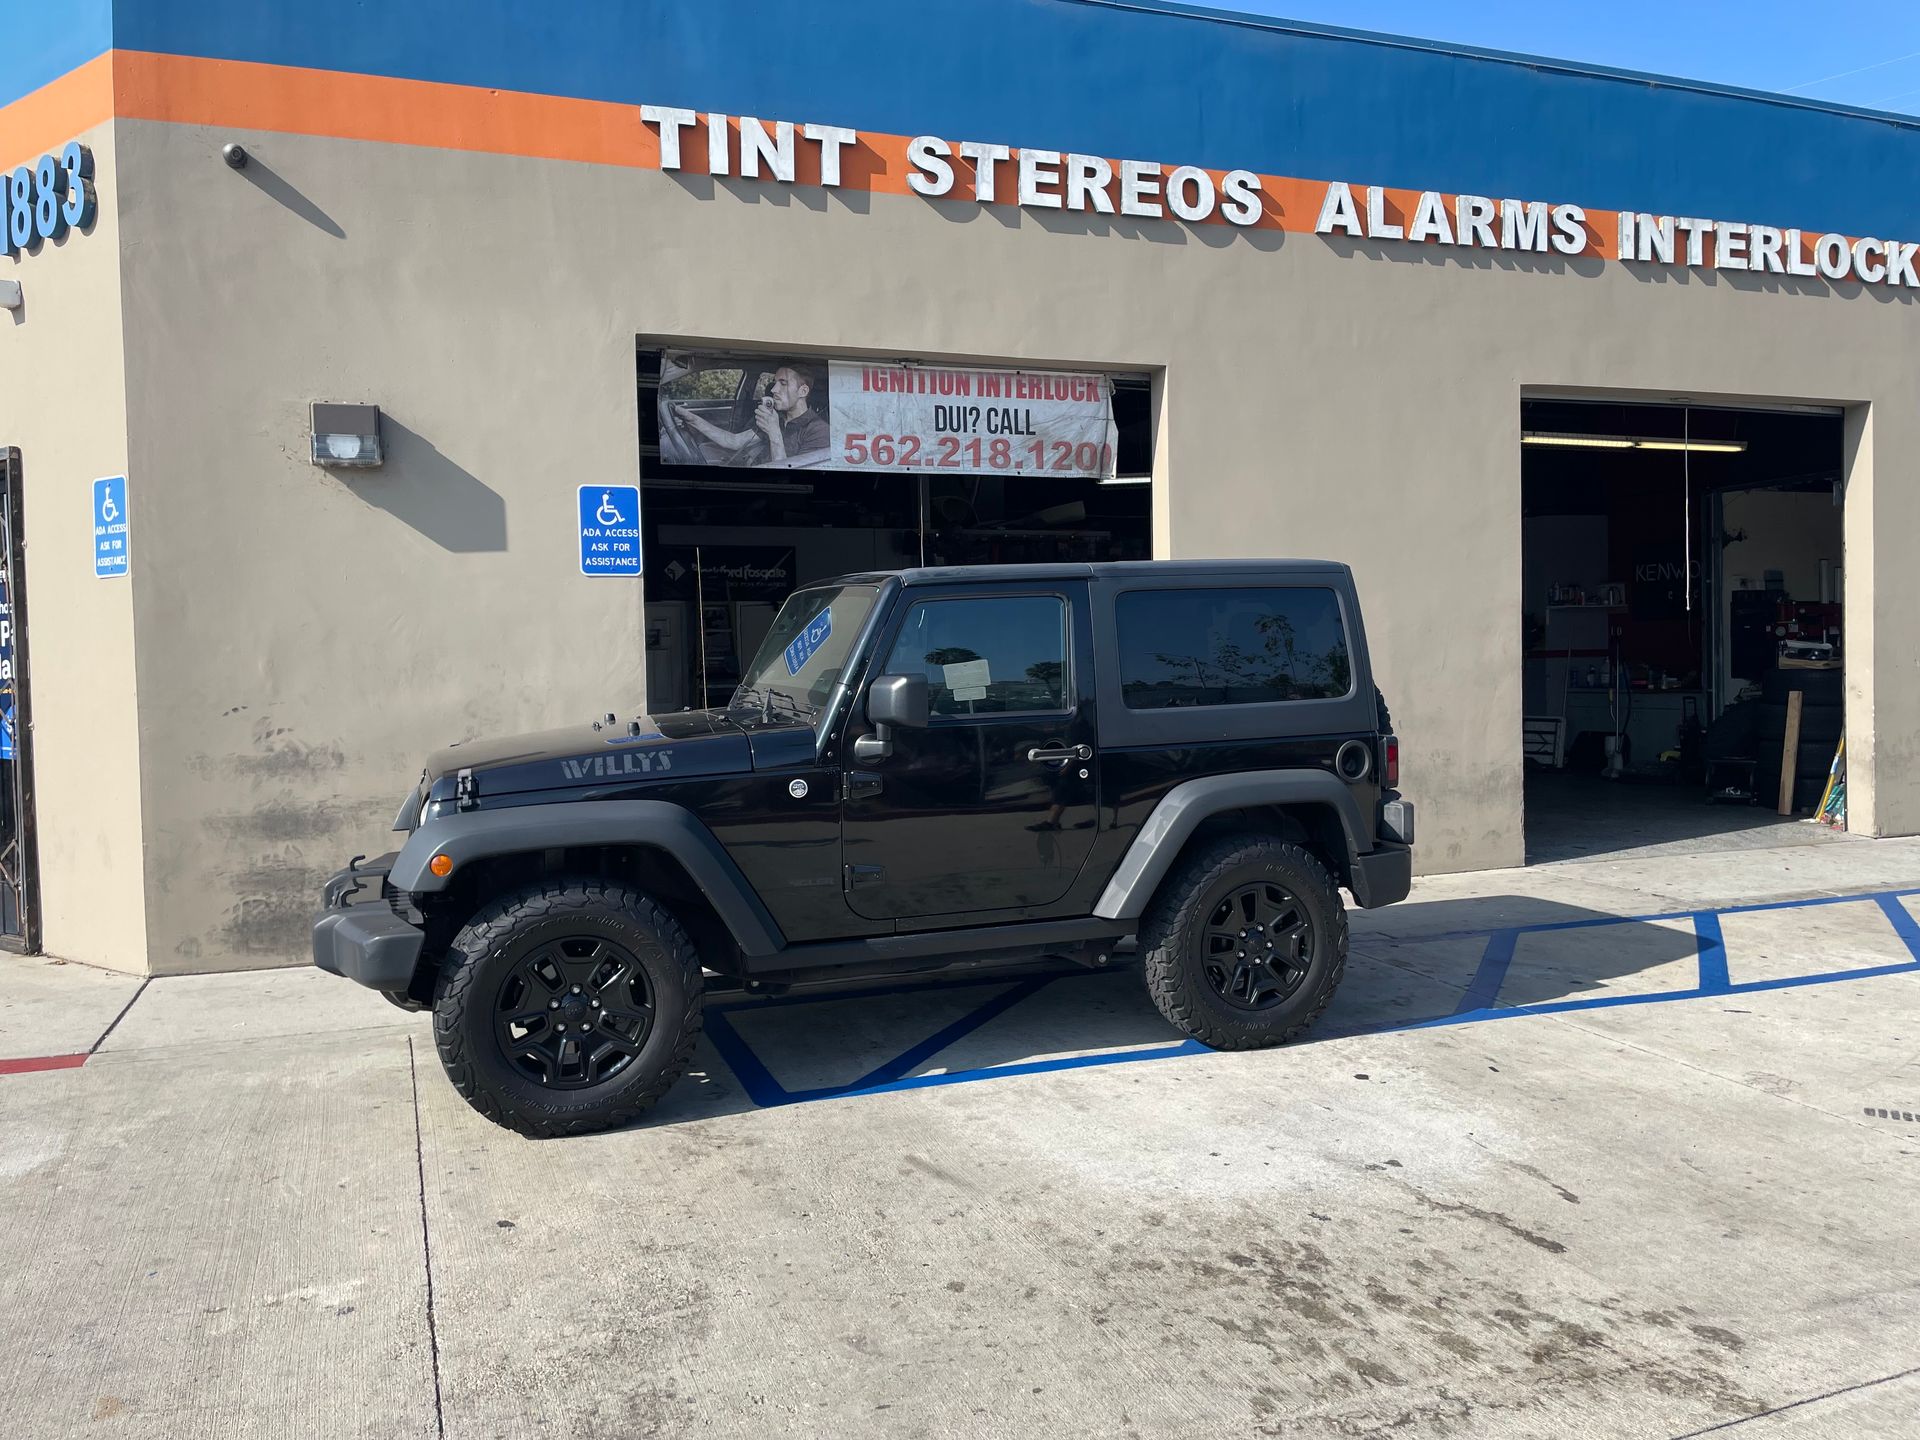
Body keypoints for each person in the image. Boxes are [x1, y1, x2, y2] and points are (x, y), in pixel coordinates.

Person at [672, 363, 829, 466]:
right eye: (775, 383)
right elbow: (733, 441)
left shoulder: (819, 431)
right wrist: (692, 419)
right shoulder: (777, 418)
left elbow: (789, 481)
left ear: (803, 391)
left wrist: (774, 433)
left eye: (783, 383)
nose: (773, 389)